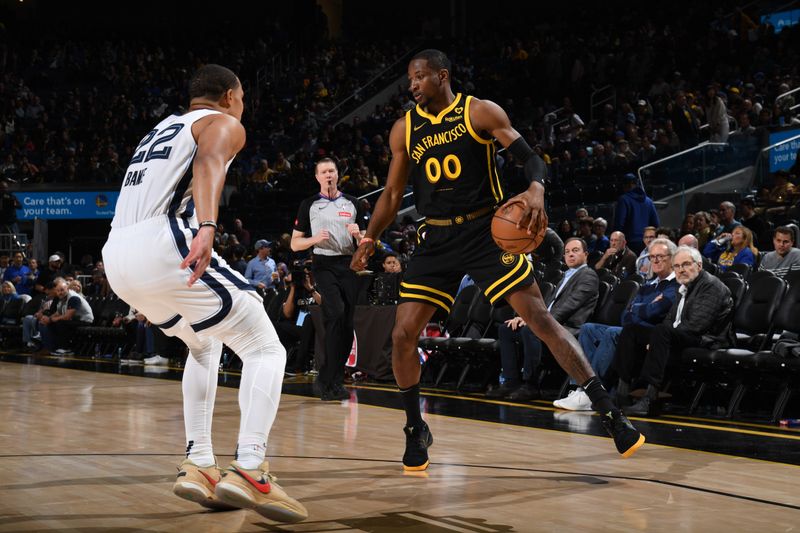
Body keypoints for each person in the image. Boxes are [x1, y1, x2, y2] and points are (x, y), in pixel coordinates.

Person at [350, 49, 643, 471]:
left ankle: (609, 410)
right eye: (409, 79)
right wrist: (371, 237)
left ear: (441, 76)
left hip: (485, 232)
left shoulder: (479, 112)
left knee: (540, 319)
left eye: (418, 77)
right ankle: (415, 426)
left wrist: (536, 189)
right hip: (436, 237)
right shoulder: (404, 130)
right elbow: (394, 195)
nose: (411, 86)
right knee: (401, 335)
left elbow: (532, 158)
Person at [101, 64, 306, 522]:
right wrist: (209, 225)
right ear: (231, 95)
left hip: (116, 256)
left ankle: (199, 461)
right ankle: (251, 468)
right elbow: (209, 162)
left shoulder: (159, 130)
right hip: (161, 242)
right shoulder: (221, 123)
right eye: (243, 99)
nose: (243, 108)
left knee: (204, 343)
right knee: (265, 347)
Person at [556, 238, 678, 411]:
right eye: (652, 257)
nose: (655, 260)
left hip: (651, 334)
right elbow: (626, 316)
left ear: (672, 258)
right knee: (588, 328)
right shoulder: (648, 285)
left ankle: (593, 392)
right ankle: (581, 386)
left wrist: (639, 310)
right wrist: (643, 309)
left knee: (612, 332)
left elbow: (656, 312)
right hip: (631, 330)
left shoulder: (676, 285)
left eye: (660, 256)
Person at [619, 246, 734, 416]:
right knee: (632, 331)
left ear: (699, 265)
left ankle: (650, 399)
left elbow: (697, 325)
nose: (681, 270)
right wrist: (659, 337)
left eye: (686, 264)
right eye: (677, 266)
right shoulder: (684, 286)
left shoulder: (711, 286)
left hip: (708, 339)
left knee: (661, 332)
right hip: (683, 334)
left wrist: (661, 337)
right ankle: (622, 393)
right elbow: (670, 319)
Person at [291, 158, 366, 402]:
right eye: (323, 172)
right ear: (317, 177)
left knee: (346, 324)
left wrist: (359, 236)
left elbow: (366, 243)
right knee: (335, 312)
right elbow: (294, 243)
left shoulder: (353, 203)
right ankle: (326, 378)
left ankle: (333, 379)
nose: (328, 175)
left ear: (337, 174)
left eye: (331, 171)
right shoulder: (309, 204)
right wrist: (313, 240)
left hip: (349, 264)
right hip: (323, 265)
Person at [612, 173, 660, 255]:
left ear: (625, 185)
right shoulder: (648, 201)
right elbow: (656, 223)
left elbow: (619, 224)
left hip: (629, 243)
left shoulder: (623, 199)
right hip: (646, 242)